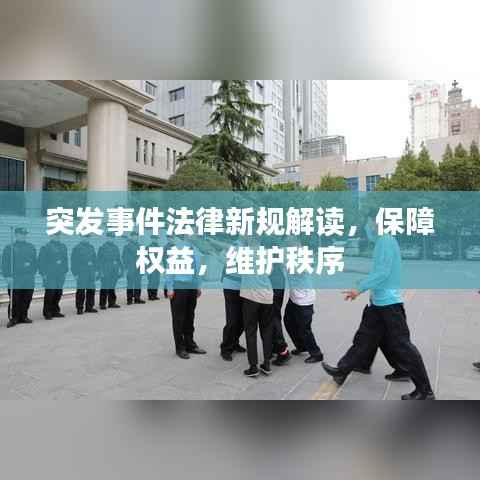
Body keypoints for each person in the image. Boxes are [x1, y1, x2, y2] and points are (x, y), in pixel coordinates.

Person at [322, 212, 435, 401]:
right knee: (364, 338)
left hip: (389, 304)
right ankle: (342, 371)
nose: (368, 227)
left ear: (377, 223)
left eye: (369, 223)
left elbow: (383, 272)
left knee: (403, 345)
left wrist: (359, 288)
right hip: (378, 303)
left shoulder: (385, 241)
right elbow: (378, 270)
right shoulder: (384, 241)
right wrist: (360, 277)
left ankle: (425, 391)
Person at [165, 236, 206, 359]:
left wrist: (198, 286)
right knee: (179, 318)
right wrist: (170, 287)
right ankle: (180, 347)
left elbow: (198, 269)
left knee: (190, 317)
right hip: (179, 286)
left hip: (192, 287)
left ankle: (190, 344)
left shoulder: (196, 251)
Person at [240, 238, 274, 377]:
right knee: (266, 331)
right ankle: (267, 364)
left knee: (251, 331)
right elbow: (269, 272)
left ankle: (253, 367)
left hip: (251, 297)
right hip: (267, 296)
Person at [1, 227, 37, 328]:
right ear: (16, 235)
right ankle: (14, 318)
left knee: (27, 297)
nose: (23, 236)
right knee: (15, 299)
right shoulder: (10, 248)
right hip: (15, 277)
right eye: (21, 234)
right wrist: (7, 276)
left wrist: (32, 272)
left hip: (28, 277)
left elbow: (35, 261)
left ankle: (24, 316)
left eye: (25, 234)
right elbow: (4, 263)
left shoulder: (31, 247)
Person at [283, 278, 324, 364]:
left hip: (304, 301)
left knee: (304, 329)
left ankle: (317, 354)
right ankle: (302, 346)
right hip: (294, 298)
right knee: (288, 321)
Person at [219, 241, 246, 362]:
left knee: (243, 320)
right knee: (232, 319)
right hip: (231, 287)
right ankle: (225, 348)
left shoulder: (250, 246)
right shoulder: (235, 246)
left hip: (244, 287)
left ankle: (234, 342)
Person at [38, 233, 68, 320]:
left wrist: (65, 271)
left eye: (58, 235)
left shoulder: (63, 247)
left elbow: (65, 259)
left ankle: (55, 311)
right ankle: (47, 312)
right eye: (55, 235)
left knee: (58, 293)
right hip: (50, 274)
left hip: (60, 274)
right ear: (51, 236)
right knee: (50, 293)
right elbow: (41, 261)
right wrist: (43, 274)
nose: (57, 237)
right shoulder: (46, 247)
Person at [71, 236, 98, 315]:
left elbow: (95, 260)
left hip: (91, 271)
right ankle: (79, 308)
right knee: (81, 291)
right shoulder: (77, 248)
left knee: (91, 290)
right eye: (85, 237)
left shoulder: (91, 247)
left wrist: (96, 270)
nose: (86, 239)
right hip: (81, 272)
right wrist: (75, 273)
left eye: (88, 237)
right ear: (81, 238)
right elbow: (73, 262)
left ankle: (89, 307)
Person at [97, 232, 123, 310]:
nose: (111, 239)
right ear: (107, 238)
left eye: (112, 238)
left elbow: (118, 259)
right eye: (109, 237)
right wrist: (100, 271)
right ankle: (102, 304)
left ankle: (112, 303)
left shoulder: (115, 248)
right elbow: (99, 261)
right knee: (104, 287)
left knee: (112, 287)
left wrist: (121, 269)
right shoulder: (102, 248)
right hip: (106, 270)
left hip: (114, 270)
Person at [122, 231, 145, 305]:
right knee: (130, 284)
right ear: (131, 237)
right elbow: (124, 257)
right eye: (134, 236)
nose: (135, 237)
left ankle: (137, 298)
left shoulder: (140, 246)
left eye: (136, 236)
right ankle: (129, 299)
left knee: (138, 283)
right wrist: (127, 267)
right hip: (131, 267)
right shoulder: (127, 246)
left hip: (139, 267)